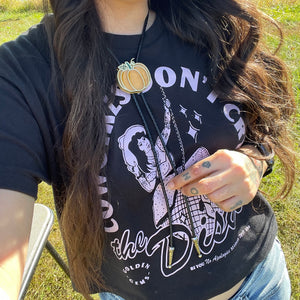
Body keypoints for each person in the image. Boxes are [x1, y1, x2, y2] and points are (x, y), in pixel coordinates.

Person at [0, 0, 296, 299]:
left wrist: (254, 163)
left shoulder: (212, 21)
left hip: (262, 283)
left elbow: (264, 124)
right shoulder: (21, 74)